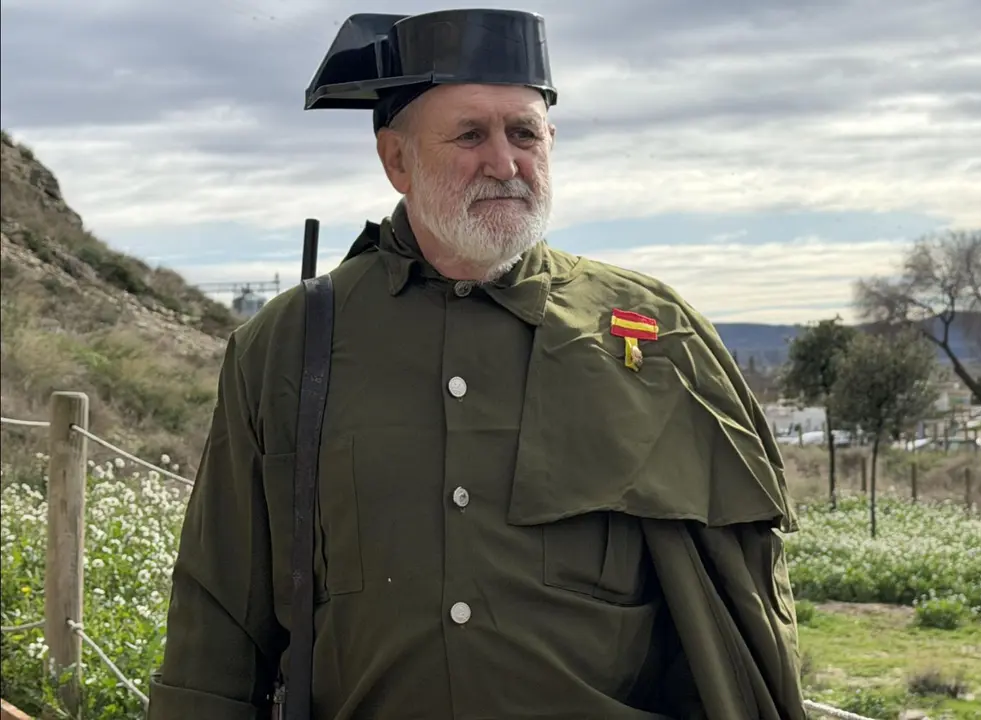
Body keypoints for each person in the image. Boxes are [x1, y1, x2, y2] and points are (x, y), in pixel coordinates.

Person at [148, 9, 805, 720]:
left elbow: (738, 610)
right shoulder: (287, 343)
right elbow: (218, 609)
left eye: (523, 133)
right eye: (469, 135)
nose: (503, 162)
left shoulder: (653, 333)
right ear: (395, 160)